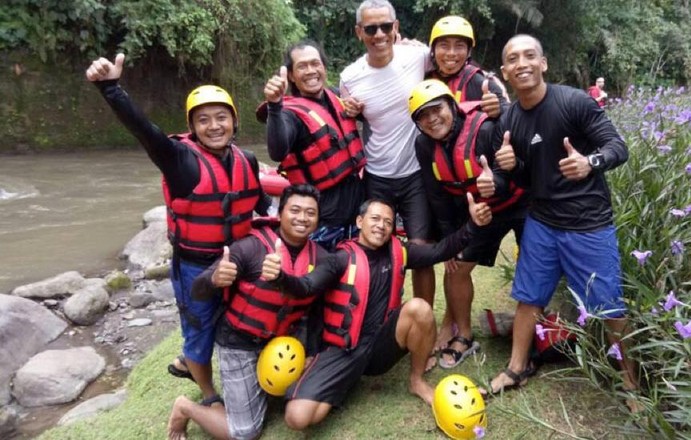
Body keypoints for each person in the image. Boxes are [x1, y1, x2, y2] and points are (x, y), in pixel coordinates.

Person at [86, 54, 269, 406]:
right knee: (199, 331)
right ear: (192, 127)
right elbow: (145, 130)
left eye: (221, 118)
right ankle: (208, 393)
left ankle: (229, 369)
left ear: (234, 121)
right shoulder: (179, 160)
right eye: (203, 120)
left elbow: (260, 204)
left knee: (246, 318)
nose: (214, 126)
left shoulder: (245, 159)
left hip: (239, 260)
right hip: (195, 266)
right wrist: (111, 88)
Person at [484, 35, 639, 403]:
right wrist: (504, 172)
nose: (521, 63)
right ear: (505, 72)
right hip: (542, 222)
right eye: (513, 59)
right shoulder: (509, 120)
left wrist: (589, 163)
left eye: (529, 55)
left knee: (610, 307)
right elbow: (521, 179)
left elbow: (618, 147)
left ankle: (632, 383)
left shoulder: (574, 102)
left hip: (588, 223)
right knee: (528, 298)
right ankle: (516, 367)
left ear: (543, 63)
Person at [276, 196, 492, 430]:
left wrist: (473, 225)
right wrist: (280, 277)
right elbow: (306, 287)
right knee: (298, 418)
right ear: (360, 221)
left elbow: (439, 251)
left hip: (381, 346)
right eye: (375, 219)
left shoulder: (400, 251)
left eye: (388, 222)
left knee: (419, 308)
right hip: (343, 350)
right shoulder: (338, 259)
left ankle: (416, 381)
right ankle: (346, 379)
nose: (381, 226)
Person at [166, 184, 327, 440]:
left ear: (318, 220)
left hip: (279, 342)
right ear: (280, 213)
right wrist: (215, 278)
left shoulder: (321, 258)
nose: (302, 218)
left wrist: (310, 351)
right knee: (245, 432)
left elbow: (316, 312)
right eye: (295, 210)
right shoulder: (249, 248)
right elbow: (197, 290)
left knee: (289, 397)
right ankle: (185, 407)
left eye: (310, 213)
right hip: (238, 343)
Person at [409, 79, 526, 369]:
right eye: (423, 116)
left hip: (520, 205)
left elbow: (514, 169)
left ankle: (533, 331)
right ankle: (464, 334)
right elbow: (437, 196)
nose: (432, 119)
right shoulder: (424, 145)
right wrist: (451, 241)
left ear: (452, 106)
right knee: (457, 267)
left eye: (437, 109)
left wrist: (496, 183)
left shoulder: (486, 128)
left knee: (533, 268)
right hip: (481, 212)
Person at [339, 0, 437, 305]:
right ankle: (379, 318)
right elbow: (348, 123)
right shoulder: (350, 77)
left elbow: (454, 69)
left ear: (396, 27)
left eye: (385, 26)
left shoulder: (419, 56)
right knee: (376, 248)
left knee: (420, 250)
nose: (379, 34)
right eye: (371, 28)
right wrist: (350, 111)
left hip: (416, 174)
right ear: (359, 33)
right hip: (377, 175)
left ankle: (424, 320)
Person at [257, 40, 366, 251]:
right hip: (323, 221)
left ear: (324, 67)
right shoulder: (290, 114)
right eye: (302, 66)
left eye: (315, 64)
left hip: (355, 213)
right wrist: (274, 105)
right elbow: (277, 151)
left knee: (356, 279)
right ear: (290, 76)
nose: (310, 71)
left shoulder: (336, 96)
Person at [426, 15, 510, 118]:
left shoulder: (482, 82)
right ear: (433, 49)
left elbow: (508, 112)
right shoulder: (424, 76)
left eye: (459, 46)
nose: (451, 53)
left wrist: (499, 110)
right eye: (444, 45)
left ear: (468, 52)